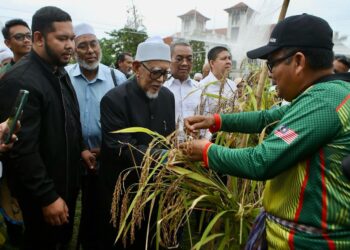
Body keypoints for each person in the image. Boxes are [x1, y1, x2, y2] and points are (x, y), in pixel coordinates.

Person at [182, 14, 350, 249]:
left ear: (299, 61)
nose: (269, 73)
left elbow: (261, 161)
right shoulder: (328, 94)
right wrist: (215, 120)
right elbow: (266, 118)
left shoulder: (323, 103)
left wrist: (206, 151)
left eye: (272, 63)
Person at [0, 6, 94, 250]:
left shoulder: (59, 72)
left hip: (66, 182)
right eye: (62, 39)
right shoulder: (21, 80)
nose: (71, 46)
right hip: (42, 195)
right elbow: (21, 149)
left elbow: (70, 119)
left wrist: (81, 148)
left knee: (61, 240)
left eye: (71, 38)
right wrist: (47, 196)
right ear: (39, 38)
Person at [98, 36, 175, 250]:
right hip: (123, 189)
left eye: (166, 73)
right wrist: (169, 158)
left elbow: (168, 138)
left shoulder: (167, 97)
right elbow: (123, 146)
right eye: (156, 72)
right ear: (136, 67)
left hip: (154, 188)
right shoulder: (114, 100)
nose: (160, 80)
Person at [66, 22, 125, 250]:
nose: (90, 50)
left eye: (93, 44)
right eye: (83, 46)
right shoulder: (64, 77)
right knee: (68, 209)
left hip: (105, 157)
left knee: (100, 208)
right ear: (74, 49)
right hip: (72, 156)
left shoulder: (117, 78)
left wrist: (105, 150)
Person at [164, 41, 201, 124]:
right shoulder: (162, 88)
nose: (185, 63)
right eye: (179, 59)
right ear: (169, 60)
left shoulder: (200, 89)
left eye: (189, 59)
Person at [199, 46, 237, 116]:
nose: (228, 62)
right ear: (212, 63)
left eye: (229, 58)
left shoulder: (233, 85)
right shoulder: (202, 86)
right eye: (224, 59)